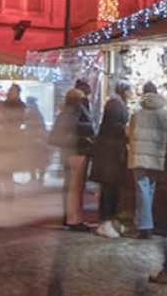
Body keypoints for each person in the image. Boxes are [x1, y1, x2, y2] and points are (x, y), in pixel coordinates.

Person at [129, 81, 167, 242]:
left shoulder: (137, 110)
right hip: (156, 153)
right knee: (150, 188)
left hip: (139, 153)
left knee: (142, 188)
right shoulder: (163, 111)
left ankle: (144, 226)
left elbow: (129, 131)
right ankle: (146, 222)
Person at [51, 82, 95, 230]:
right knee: (75, 186)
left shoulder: (68, 108)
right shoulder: (77, 108)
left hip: (70, 151)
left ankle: (71, 217)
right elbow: (74, 127)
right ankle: (74, 220)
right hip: (76, 151)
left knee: (71, 185)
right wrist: (87, 136)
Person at [91, 82, 131, 235]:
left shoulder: (116, 103)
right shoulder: (115, 104)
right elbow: (115, 127)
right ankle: (106, 221)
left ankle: (109, 221)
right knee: (109, 188)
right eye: (130, 90)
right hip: (110, 153)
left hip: (111, 151)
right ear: (125, 91)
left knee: (111, 188)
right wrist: (127, 133)